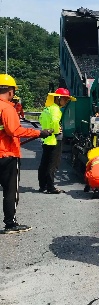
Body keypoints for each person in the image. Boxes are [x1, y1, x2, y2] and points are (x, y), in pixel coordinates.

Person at [0, 74, 52, 234]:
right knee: (10, 190)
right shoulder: (7, 108)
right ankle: (10, 224)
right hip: (7, 155)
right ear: (10, 91)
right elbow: (14, 130)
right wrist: (39, 133)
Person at [38, 88, 76, 194]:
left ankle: (43, 186)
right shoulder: (56, 110)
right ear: (58, 98)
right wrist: (56, 130)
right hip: (54, 139)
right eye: (65, 99)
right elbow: (55, 121)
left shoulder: (47, 108)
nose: (66, 102)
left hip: (46, 139)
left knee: (44, 163)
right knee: (53, 164)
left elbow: (41, 119)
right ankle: (51, 187)